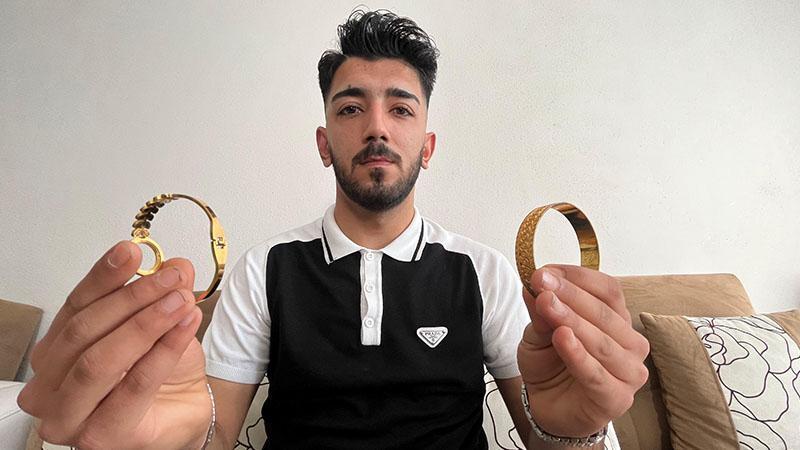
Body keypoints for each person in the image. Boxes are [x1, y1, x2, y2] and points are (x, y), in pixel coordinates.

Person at [17, 9, 649, 450]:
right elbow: (214, 434)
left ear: (427, 146)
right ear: (324, 144)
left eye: (400, 108)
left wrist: (576, 431)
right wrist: (167, 439)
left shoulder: (481, 271)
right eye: (351, 108)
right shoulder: (264, 268)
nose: (377, 127)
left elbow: (550, 437)